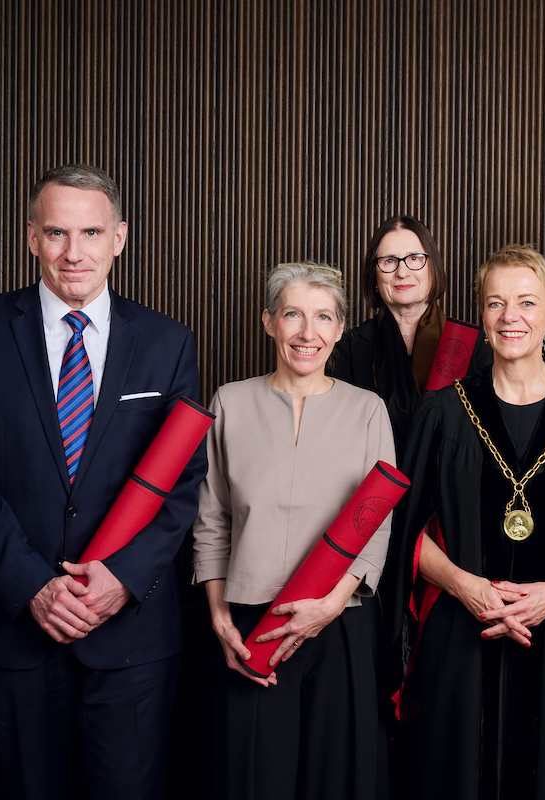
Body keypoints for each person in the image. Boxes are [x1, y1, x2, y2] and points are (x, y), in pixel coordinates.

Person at [0, 164, 207, 800]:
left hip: (131, 634)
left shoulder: (168, 342)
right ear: (31, 237)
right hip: (14, 632)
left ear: (121, 237)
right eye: (56, 233)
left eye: (90, 232)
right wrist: (34, 587)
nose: (73, 252)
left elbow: (184, 481)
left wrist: (123, 578)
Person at [394, 244, 545, 799]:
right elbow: (407, 534)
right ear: (481, 315)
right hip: (460, 629)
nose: (511, 317)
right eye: (496, 303)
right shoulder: (443, 413)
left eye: (527, 303)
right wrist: (464, 585)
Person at [192, 263, 395, 799]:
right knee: (254, 779)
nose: (308, 332)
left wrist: (330, 605)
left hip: (342, 624)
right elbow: (212, 520)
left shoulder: (368, 410)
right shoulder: (230, 403)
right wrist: (219, 618)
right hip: (251, 628)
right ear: (269, 322)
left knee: (339, 780)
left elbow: (376, 524)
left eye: (323, 317)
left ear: (339, 329)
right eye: (293, 315)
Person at [332, 215, 489, 459]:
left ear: (433, 266)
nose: (402, 272)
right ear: (374, 274)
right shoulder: (349, 348)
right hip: (377, 487)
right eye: (389, 261)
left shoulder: (475, 344)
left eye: (414, 259)